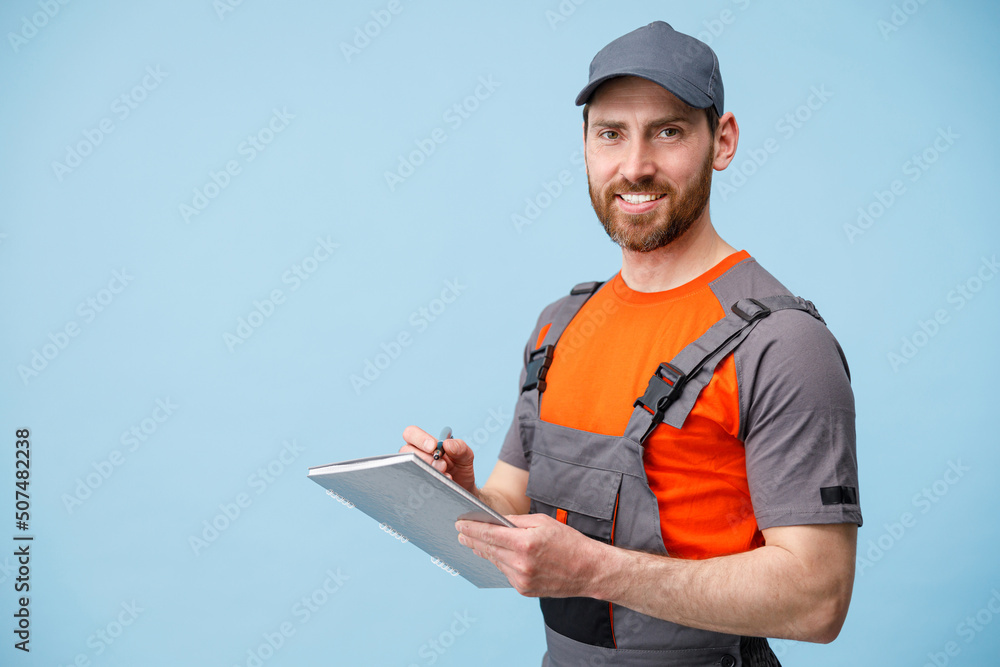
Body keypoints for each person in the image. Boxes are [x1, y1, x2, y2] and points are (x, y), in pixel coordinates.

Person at [401, 21, 861, 667]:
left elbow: (817, 601)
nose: (635, 165)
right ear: (586, 145)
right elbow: (513, 502)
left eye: (668, 131)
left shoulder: (783, 345)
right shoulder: (559, 326)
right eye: (611, 133)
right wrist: (462, 499)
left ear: (722, 140)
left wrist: (595, 569)